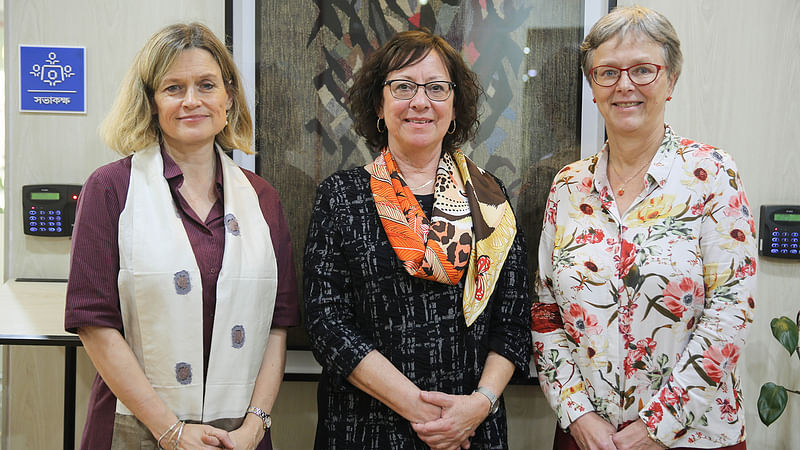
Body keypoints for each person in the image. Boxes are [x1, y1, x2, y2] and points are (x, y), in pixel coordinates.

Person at [531, 6, 757, 450]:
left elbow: (732, 312)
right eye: (608, 73)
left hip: (693, 436)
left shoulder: (712, 173)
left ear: (670, 80)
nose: (625, 85)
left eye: (643, 70)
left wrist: (657, 427)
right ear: (593, 86)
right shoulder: (568, 186)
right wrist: (578, 415)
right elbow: (544, 310)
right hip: (586, 437)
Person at [64, 22, 299, 450]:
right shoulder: (110, 189)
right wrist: (170, 431)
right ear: (152, 101)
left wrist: (254, 426)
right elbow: (93, 324)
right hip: (137, 429)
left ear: (227, 97)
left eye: (206, 85)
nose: (192, 101)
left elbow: (277, 326)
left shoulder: (263, 199)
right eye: (173, 88)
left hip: (240, 436)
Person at [303, 29, 532, 450]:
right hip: (364, 429)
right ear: (379, 103)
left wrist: (478, 405)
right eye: (404, 86)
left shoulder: (490, 198)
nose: (420, 102)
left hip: (471, 430)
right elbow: (326, 324)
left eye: (437, 88)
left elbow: (514, 323)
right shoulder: (341, 196)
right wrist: (422, 411)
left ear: (455, 107)